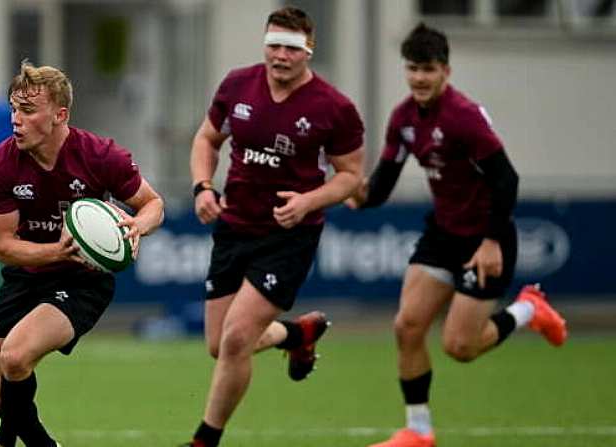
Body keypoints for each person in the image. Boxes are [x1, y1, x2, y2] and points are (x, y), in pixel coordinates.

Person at [346, 24, 568, 447]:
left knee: (460, 347)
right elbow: (385, 182)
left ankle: (528, 309)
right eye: (412, 69)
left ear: (445, 70)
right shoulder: (403, 118)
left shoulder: (463, 117)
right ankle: (419, 432)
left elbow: (507, 180)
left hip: (486, 237)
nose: (419, 78)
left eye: (428, 69)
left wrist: (490, 242)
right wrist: (360, 196)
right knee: (407, 326)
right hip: (442, 235)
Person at [182, 7, 365, 447]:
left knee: (236, 339)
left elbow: (351, 177)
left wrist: (308, 202)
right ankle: (298, 333)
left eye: (290, 48)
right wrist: (203, 187)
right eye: (274, 46)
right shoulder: (237, 85)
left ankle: (204, 440)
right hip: (234, 225)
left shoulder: (334, 108)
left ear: (308, 51)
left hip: (289, 236)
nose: (280, 56)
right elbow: (207, 138)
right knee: (218, 344)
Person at [0, 61, 164, 447]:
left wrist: (138, 226)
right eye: (13, 108)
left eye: (28, 111)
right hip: (25, 276)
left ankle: (5, 442)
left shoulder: (100, 156)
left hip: (82, 282)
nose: (16, 120)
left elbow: (152, 204)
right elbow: (2, 246)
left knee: (14, 357)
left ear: (59, 115)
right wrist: (56, 250)